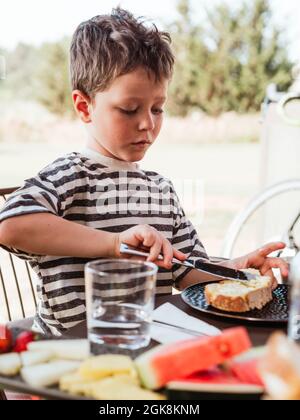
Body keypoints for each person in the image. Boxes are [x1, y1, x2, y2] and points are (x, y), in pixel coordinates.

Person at [0, 8, 288, 335]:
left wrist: (236, 270)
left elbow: (186, 270)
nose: (147, 124)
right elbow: (10, 226)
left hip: (146, 346)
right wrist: (114, 244)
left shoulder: (159, 189)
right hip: (74, 360)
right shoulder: (70, 175)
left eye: (157, 108)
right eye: (129, 109)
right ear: (84, 106)